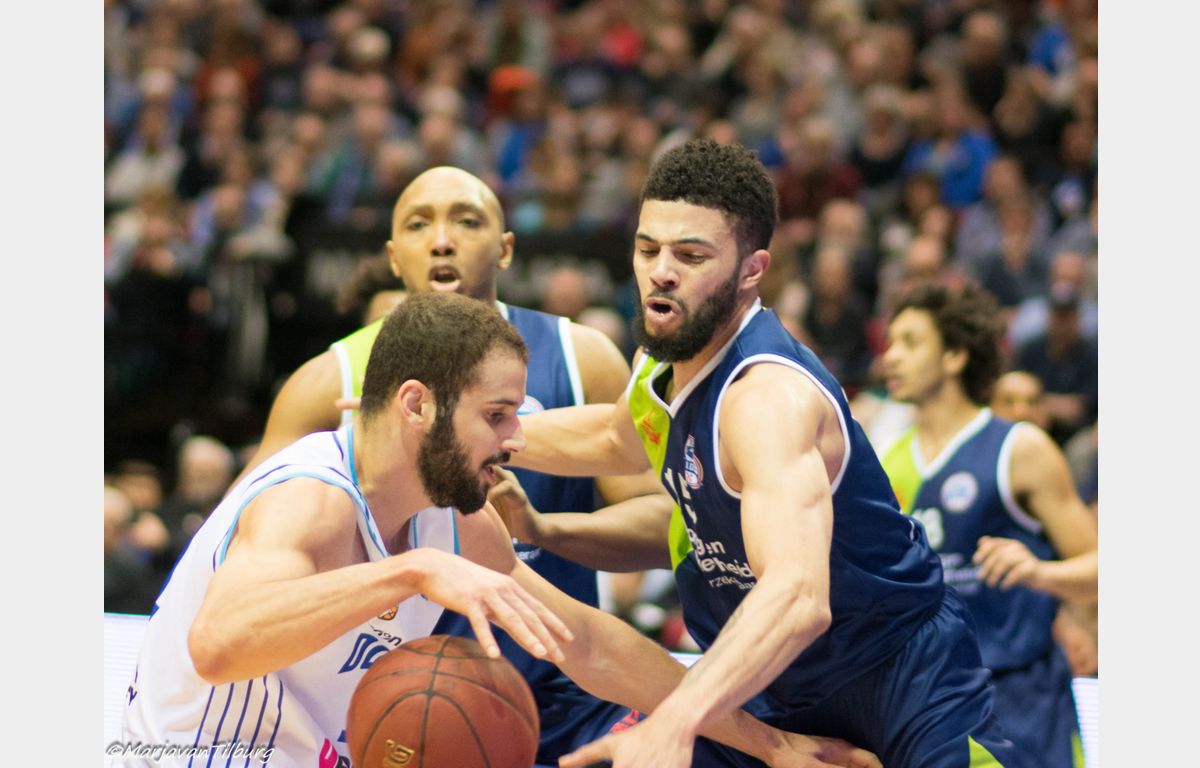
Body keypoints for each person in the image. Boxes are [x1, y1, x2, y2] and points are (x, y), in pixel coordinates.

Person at [121, 293, 879, 768]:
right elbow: (217, 645)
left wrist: (771, 745)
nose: (516, 438)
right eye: (496, 415)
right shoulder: (311, 500)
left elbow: (585, 644)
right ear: (416, 404)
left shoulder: (454, 515)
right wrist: (411, 573)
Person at [510, 139, 1022, 768]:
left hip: (898, 678)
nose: (661, 272)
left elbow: (799, 596)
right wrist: (493, 437)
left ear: (752, 269)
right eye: (647, 249)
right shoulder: (660, 363)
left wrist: (674, 722)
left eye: (691, 255)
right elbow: (616, 440)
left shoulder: (766, 397)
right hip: (771, 686)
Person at [230, 165, 675, 764]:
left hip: (561, 688)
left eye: (466, 221)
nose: (442, 240)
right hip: (396, 698)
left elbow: (667, 530)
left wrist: (546, 530)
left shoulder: (580, 356)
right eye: (419, 224)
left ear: (505, 248)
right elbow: (235, 546)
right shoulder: (328, 382)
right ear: (393, 256)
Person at [878, 281, 1098, 767]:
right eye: (890, 343)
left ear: (955, 356)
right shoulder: (886, 461)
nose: (891, 357)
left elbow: (1099, 569)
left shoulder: (1020, 448)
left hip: (1021, 700)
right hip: (928, 702)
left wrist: (1041, 574)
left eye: (910, 342)